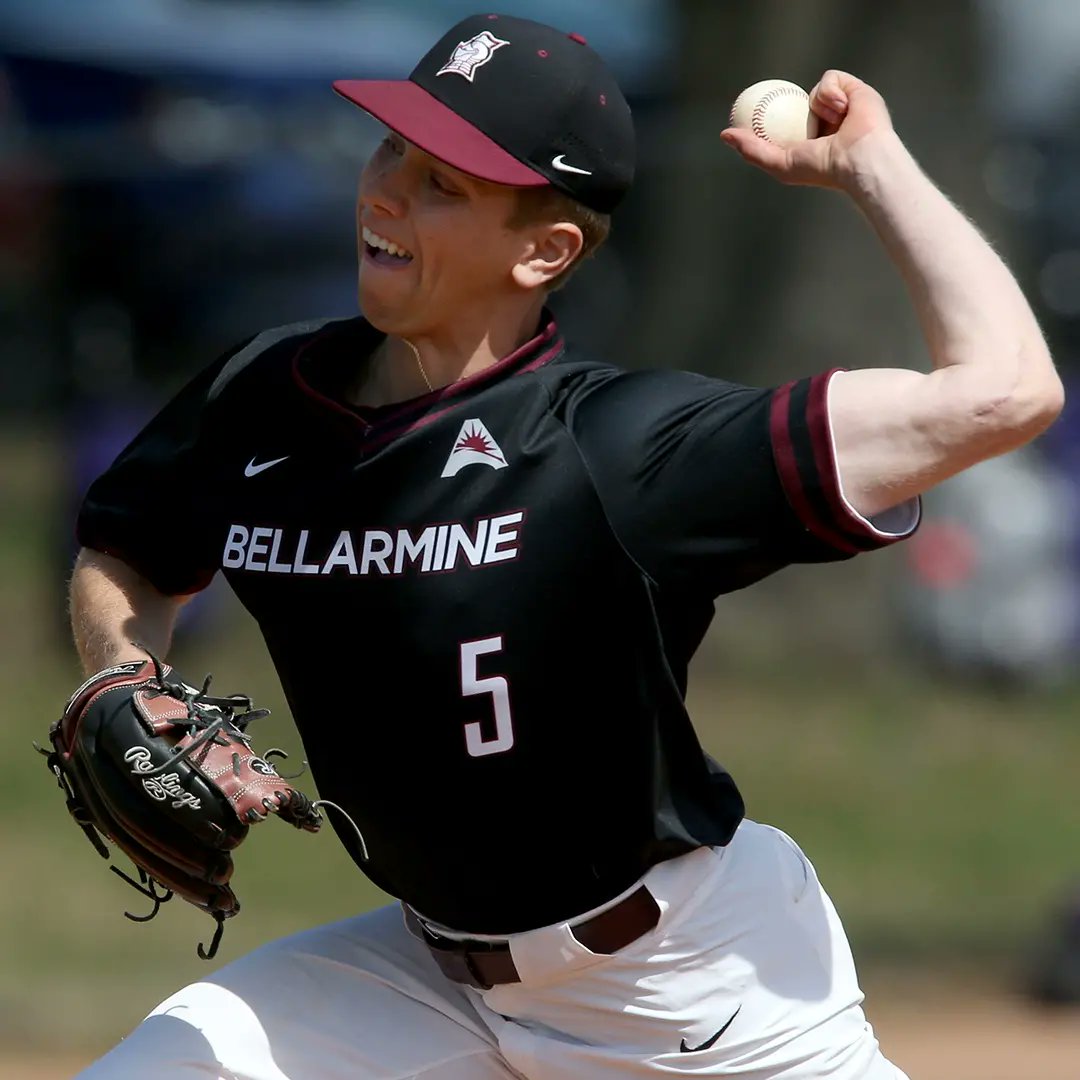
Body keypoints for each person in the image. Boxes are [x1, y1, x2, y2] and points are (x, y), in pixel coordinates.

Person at [68, 12, 1062, 1079]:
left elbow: (1008, 392)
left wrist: (875, 168)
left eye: (442, 184)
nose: (385, 193)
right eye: (392, 149)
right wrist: (124, 674)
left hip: (687, 991)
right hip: (423, 982)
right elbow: (127, 550)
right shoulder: (266, 396)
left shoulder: (619, 450)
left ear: (543, 250)